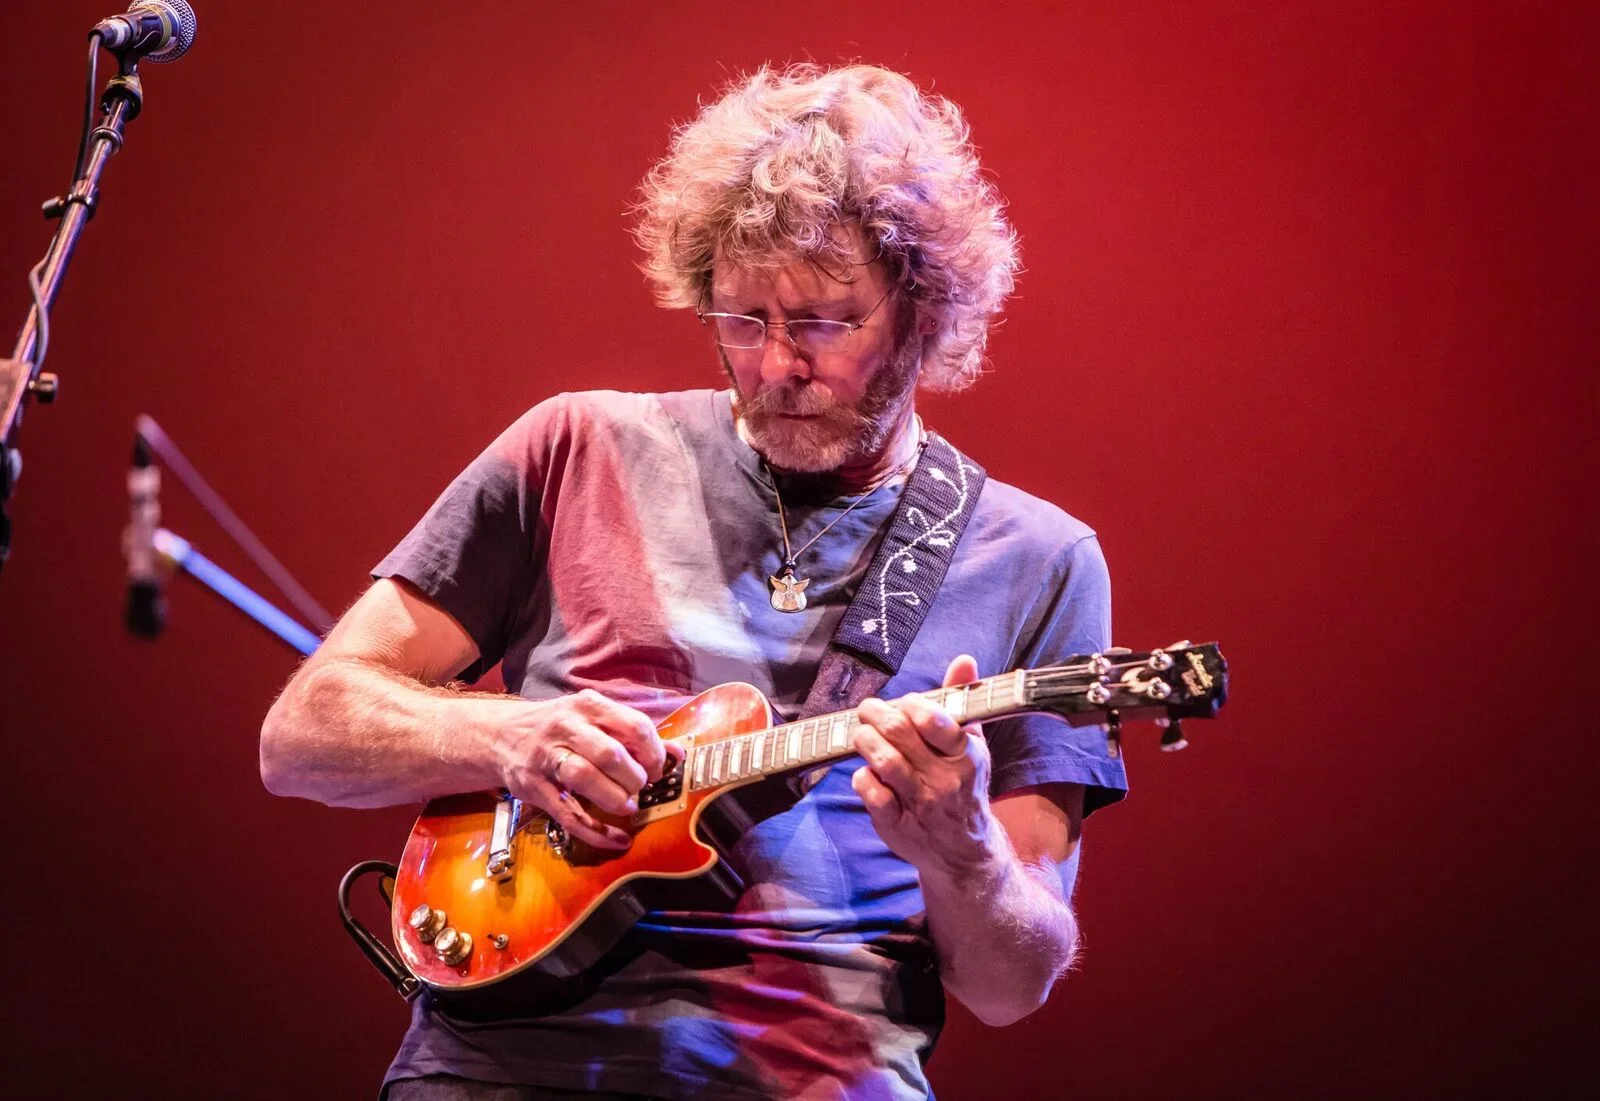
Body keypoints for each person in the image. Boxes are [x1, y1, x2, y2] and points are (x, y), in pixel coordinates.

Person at [260, 62, 1126, 1101]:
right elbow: (300, 735)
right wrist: (504, 737)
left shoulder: (1038, 559)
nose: (773, 366)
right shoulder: (572, 447)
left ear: (922, 313)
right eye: (741, 318)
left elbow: (1008, 986)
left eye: (825, 324)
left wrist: (966, 850)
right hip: (496, 1067)